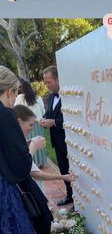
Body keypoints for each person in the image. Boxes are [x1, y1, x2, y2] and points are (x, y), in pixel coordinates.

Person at [0, 66, 47, 234]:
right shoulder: (6, 114)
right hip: (5, 189)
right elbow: (20, 163)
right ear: (9, 92)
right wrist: (32, 148)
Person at [13, 104, 77, 185]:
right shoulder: (11, 142)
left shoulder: (15, 139)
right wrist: (34, 145)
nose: (32, 129)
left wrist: (63, 177)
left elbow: (35, 173)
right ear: (19, 121)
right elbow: (25, 166)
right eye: (31, 125)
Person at [40, 65, 73, 206]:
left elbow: (73, 118)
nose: (47, 86)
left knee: (74, 169)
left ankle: (80, 197)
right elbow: (49, 114)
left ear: (58, 79)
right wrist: (44, 119)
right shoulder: (51, 97)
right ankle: (70, 196)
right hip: (57, 142)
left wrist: (54, 122)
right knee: (64, 169)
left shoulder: (69, 95)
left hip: (70, 141)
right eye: (45, 83)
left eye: (49, 82)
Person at [15, 80, 47, 168]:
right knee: (38, 141)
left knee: (30, 142)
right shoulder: (38, 98)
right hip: (38, 123)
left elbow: (17, 109)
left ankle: (32, 162)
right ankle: (41, 162)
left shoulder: (19, 98)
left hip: (26, 123)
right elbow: (43, 111)